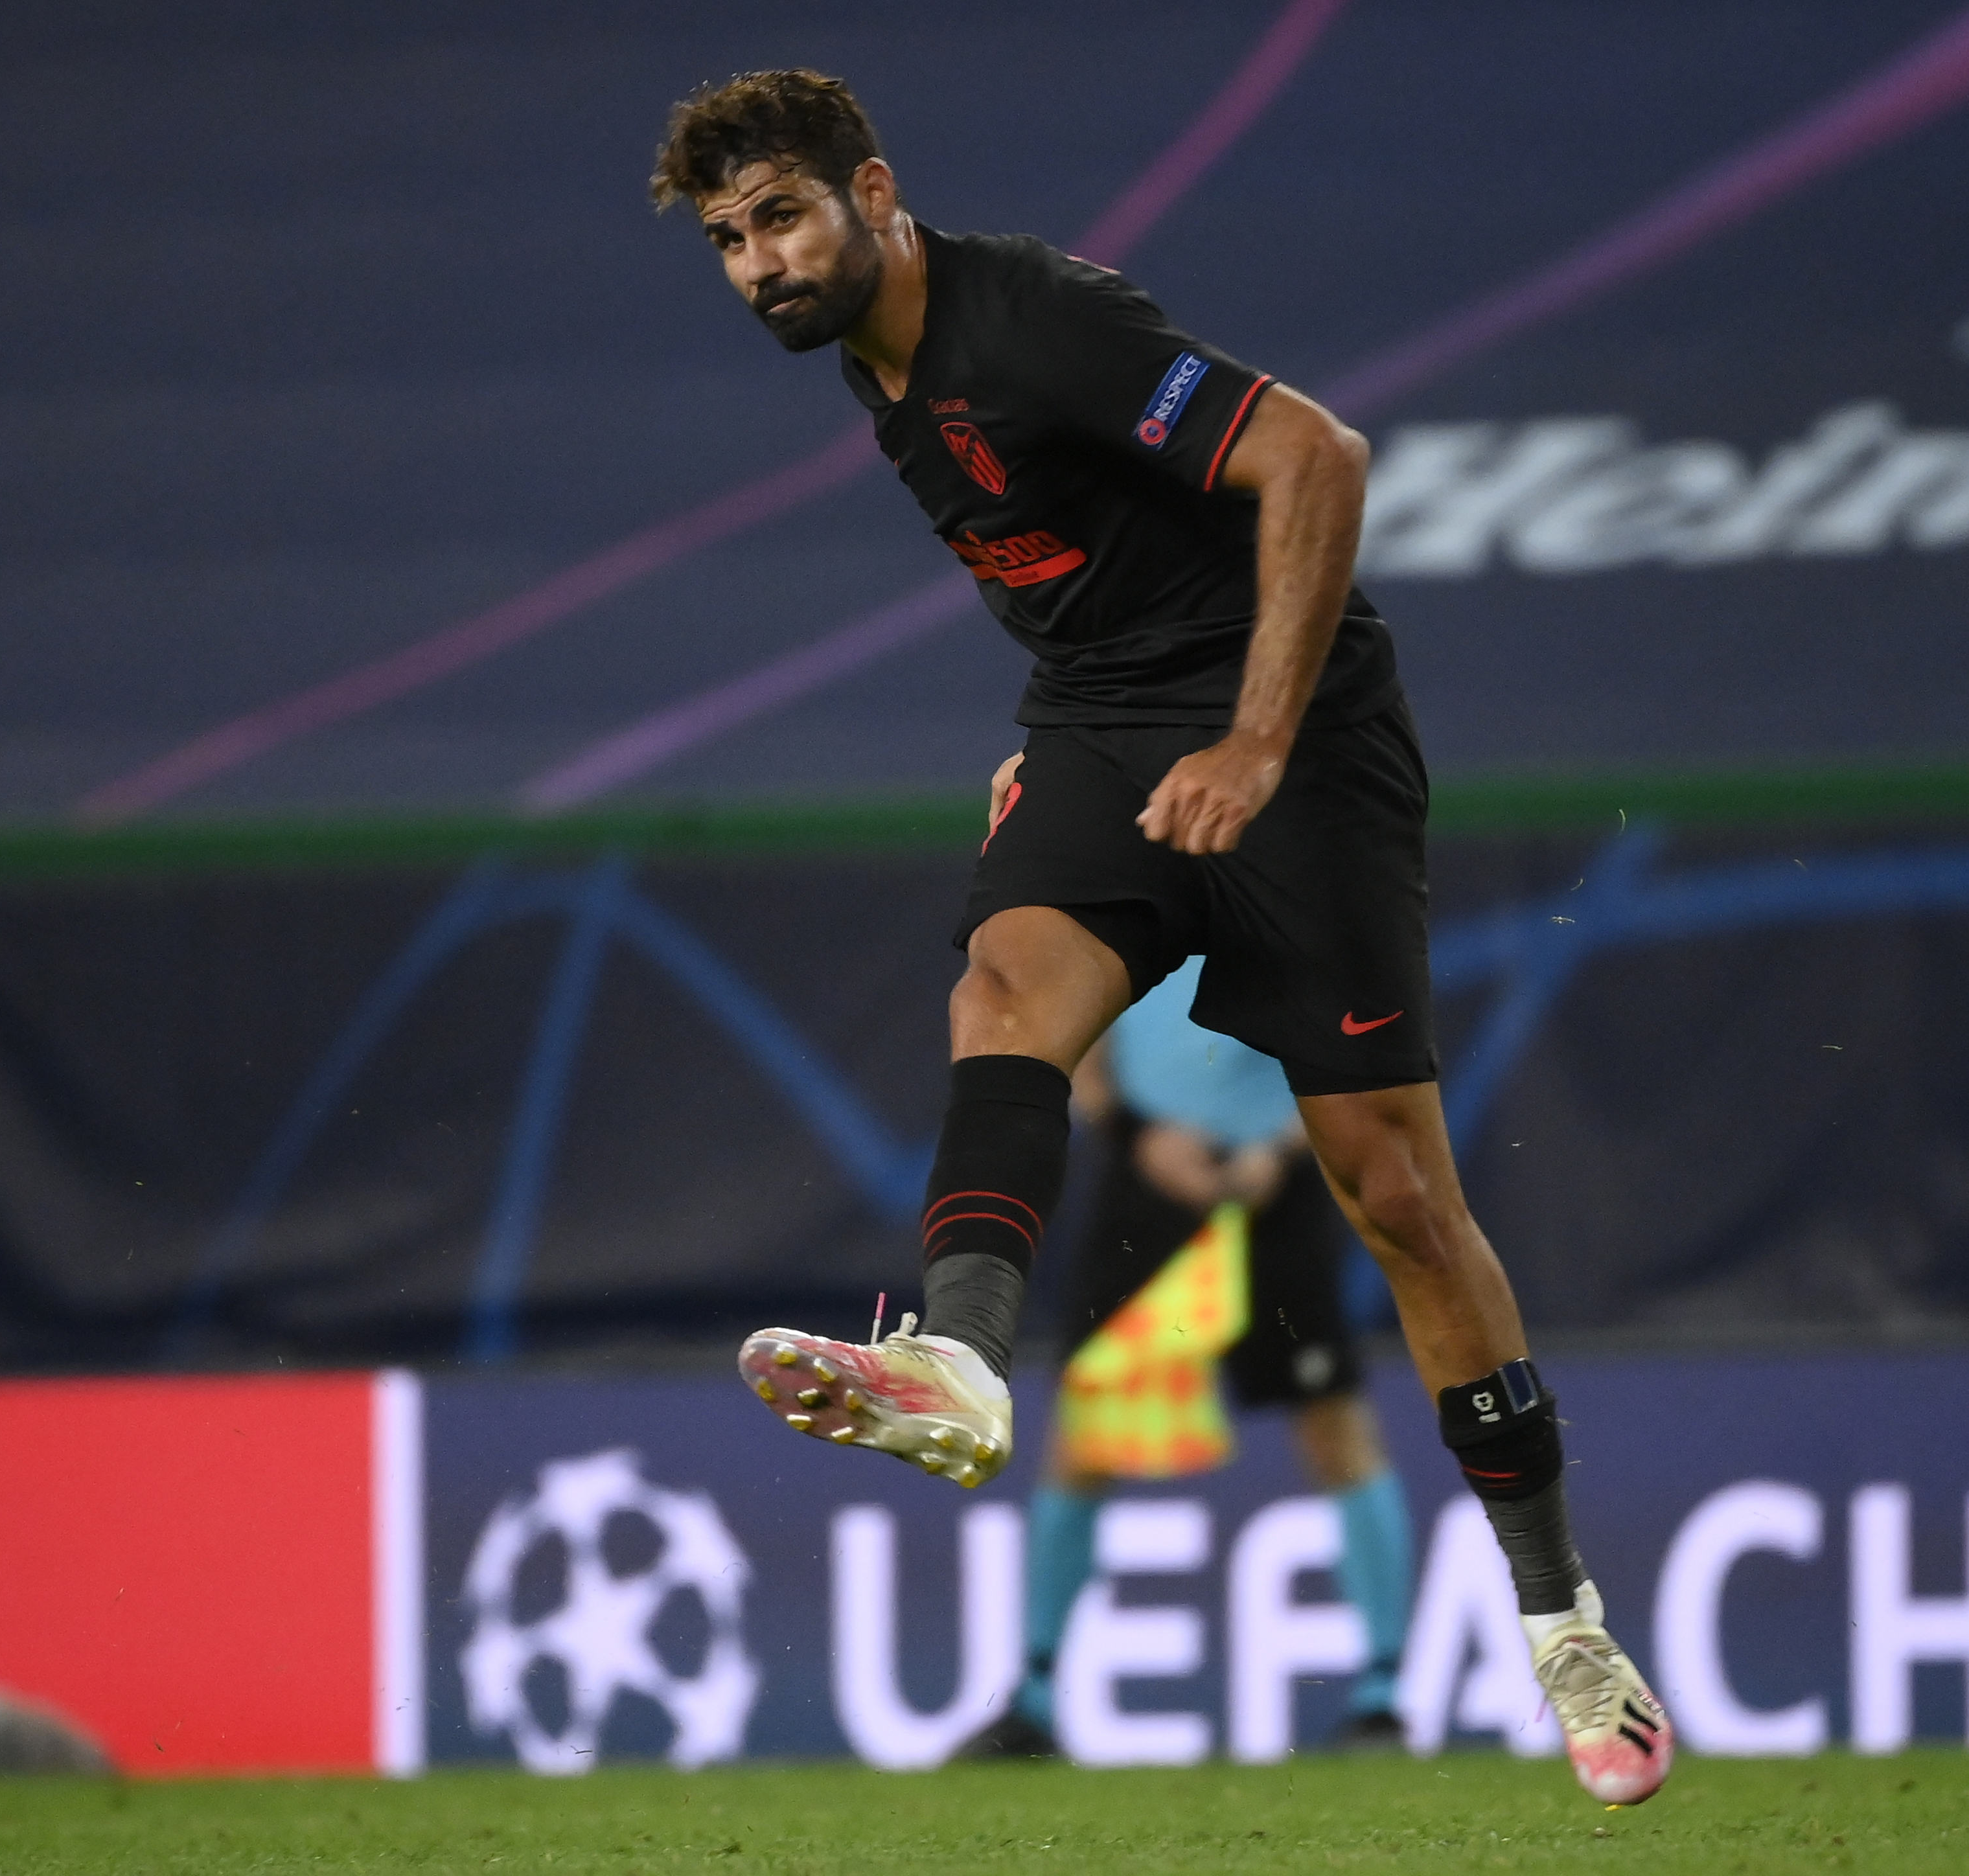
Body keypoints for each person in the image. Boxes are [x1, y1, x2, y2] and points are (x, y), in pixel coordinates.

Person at [652, 69, 1671, 1801]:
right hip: (1110, 726)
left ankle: (1560, 1619)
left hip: (1300, 742)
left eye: (782, 217)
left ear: (874, 192)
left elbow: (1313, 457)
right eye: (729, 239)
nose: (757, 261)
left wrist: (1257, 742)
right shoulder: (872, 366)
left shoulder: (1030, 317)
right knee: (999, 987)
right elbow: (1085, 569)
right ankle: (958, 1360)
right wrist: (1053, 742)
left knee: (1398, 1195)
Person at [960, 959, 1412, 1757]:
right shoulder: (1129, 895)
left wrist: (1279, 1150)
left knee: (1333, 1425)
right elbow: (1081, 1045)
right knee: (1084, 1433)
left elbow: (1356, 1052)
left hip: (1282, 1185)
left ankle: (1383, 1698)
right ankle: (1032, 1699)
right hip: (1148, 1186)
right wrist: (1142, 1136)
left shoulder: (1296, 895)